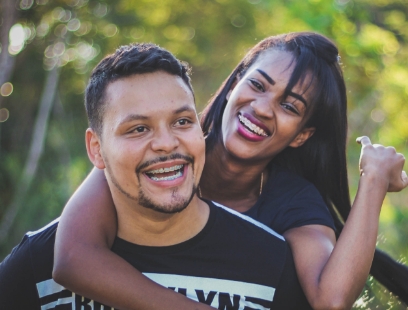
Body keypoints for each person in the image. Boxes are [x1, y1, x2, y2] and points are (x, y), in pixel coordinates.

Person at [52, 32, 408, 309]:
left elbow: (330, 299)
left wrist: (374, 178)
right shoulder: (160, 152)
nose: (263, 108)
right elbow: (71, 259)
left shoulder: (293, 201)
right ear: (236, 81)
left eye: (289, 105)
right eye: (257, 85)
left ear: (302, 135)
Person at [0, 43, 314, 310]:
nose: (166, 143)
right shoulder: (38, 264)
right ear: (96, 149)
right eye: (138, 128)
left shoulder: (271, 265)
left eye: (181, 121)